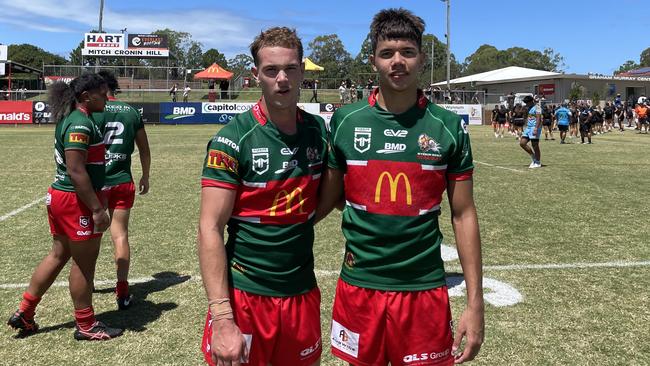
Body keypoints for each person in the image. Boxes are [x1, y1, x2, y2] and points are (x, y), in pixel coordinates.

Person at [316, 8, 484, 366]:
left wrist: (475, 303)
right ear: (373, 60)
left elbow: (464, 213)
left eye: (407, 52)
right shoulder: (346, 121)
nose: (397, 62)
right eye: (387, 53)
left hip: (423, 288)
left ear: (421, 58)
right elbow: (328, 199)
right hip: (359, 285)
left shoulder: (448, 126)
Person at [198, 27, 327, 366]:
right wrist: (223, 317)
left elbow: (330, 197)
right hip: (245, 297)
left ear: (302, 71)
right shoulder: (232, 139)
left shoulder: (318, 132)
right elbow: (210, 227)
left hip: (301, 291)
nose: (282, 79)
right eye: (271, 70)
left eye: (291, 69)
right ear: (256, 75)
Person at [7, 72, 123, 340]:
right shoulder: (80, 124)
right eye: (102, 94)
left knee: (58, 254)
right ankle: (86, 324)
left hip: (62, 197)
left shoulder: (75, 119)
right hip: (76, 200)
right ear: (85, 97)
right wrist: (96, 208)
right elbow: (76, 170)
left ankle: (25, 311)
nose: (107, 97)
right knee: (84, 264)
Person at [94, 70, 151, 310]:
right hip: (121, 180)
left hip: (94, 184)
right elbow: (144, 149)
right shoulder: (130, 112)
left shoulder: (90, 110)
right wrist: (145, 175)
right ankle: (122, 290)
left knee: (91, 237)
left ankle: (86, 283)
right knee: (120, 235)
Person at [519, 95, 542, 168]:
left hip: (534, 127)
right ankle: (533, 157)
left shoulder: (537, 107)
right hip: (528, 128)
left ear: (531, 101)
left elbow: (539, 118)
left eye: (527, 103)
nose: (526, 104)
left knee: (535, 145)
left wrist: (536, 128)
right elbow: (523, 115)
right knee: (522, 143)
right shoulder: (528, 108)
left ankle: (537, 162)